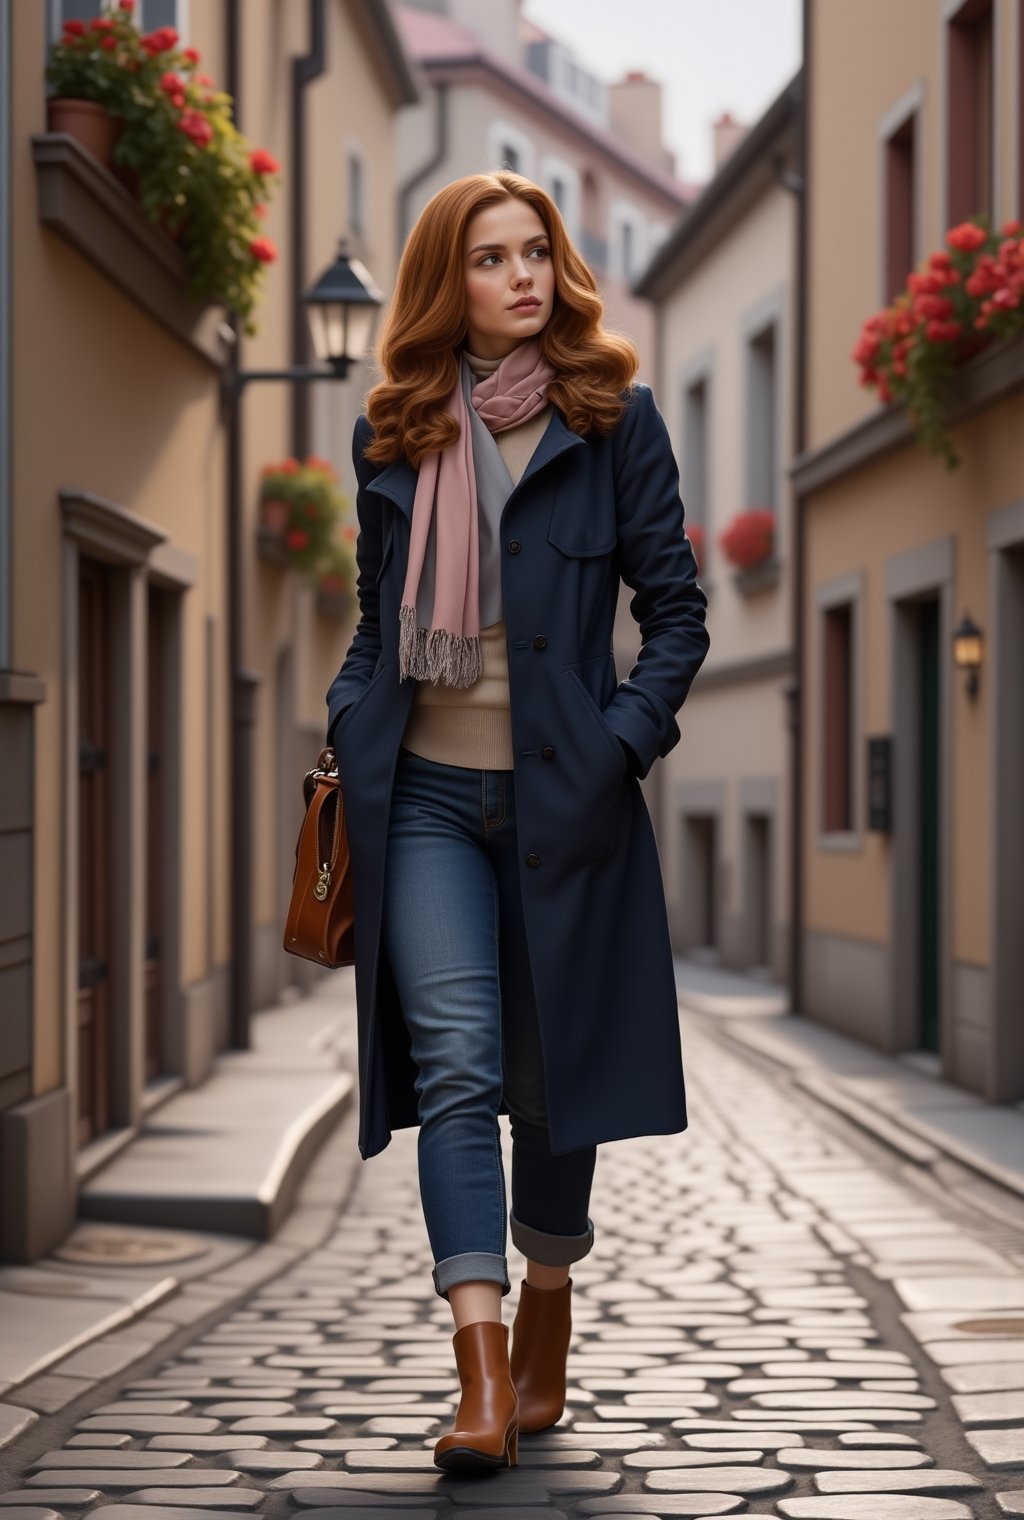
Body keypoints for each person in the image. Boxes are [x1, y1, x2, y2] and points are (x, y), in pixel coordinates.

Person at [325, 170, 709, 1474]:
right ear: (451, 282)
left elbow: (678, 616)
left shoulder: (617, 423)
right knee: (462, 1070)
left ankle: (549, 1298)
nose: (523, 276)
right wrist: (347, 716)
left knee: (553, 1095)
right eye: (491, 258)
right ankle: (480, 1374)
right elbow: (378, 625)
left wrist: (619, 747)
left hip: (568, 801)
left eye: (536, 252)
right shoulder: (395, 437)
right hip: (422, 796)